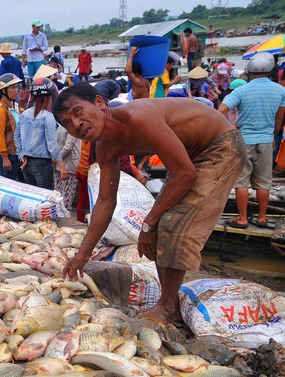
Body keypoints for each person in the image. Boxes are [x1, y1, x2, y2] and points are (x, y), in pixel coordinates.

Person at [52, 83, 246, 332]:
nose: (76, 124)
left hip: (221, 146)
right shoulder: (105, 146)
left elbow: (185, 174)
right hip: (190, 157)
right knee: (159, 223)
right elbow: (105, 201)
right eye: (67, 123)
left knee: (173, 222)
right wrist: (83, 254)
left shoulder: (137, 117)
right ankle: (169, 303)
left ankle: (166, 307)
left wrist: (148, 224)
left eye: (78, 112)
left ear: (100, 103)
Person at [219, 52, 285, 229]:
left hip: (244, 140)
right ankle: (262, 218)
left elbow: (221, 110)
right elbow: (279, 118)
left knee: (242, 182)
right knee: (264, 182)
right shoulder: (280, 90)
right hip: (265, 140)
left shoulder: (241, 90)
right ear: (270, 70)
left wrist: (230, 128)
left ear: (250, 72)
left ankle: (242, 218)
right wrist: (272, 135)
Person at [14, 76, 63, 189]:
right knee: (44, 198)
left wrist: (22, 154)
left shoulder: (25, 114)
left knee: (32, 197)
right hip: (43, 163)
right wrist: (61, 165)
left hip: (27, 163)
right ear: (49, 97)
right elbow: (52, 144)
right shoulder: (48, 117)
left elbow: (17, 137)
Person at [0, 73, 24, 181]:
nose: (16, 90)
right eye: (12, 88)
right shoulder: (0, 110)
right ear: (3, 90)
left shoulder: (14, 106)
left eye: (17, 87)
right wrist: (5, 158)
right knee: (9, 183)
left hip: (16, 153)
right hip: (7, 154)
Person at [56, 125, 81, 210]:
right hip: (69, 165)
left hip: (60, 164)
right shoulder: (71, 127)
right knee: (65, 199)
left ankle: (58, 218)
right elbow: (68, 147)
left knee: (58, 196)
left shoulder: (60, 125)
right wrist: (57, 158)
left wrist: (56, 158)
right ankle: (63, 219)